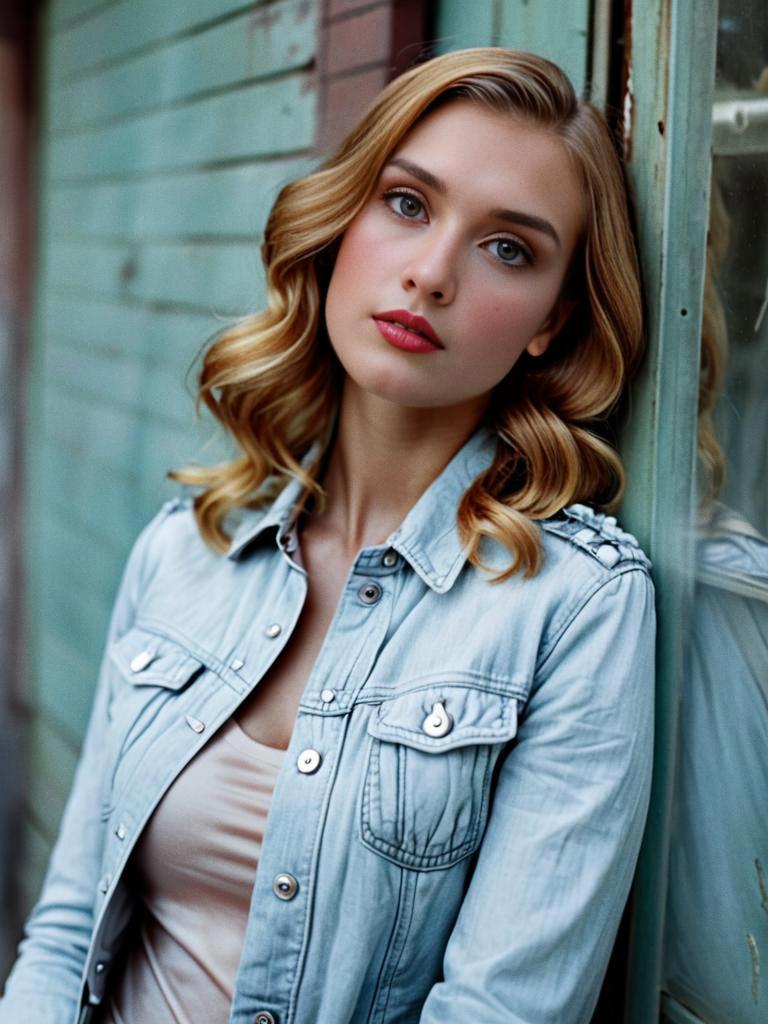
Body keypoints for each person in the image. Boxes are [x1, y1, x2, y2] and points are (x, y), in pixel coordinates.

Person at [0, 48, 655, 1024]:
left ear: (550, 323)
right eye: (406, 203)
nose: (431, 274)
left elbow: (500, 1009)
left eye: (508, 247)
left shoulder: (575, 607)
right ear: (345, 218)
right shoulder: (187, 549)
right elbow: (64, 930)